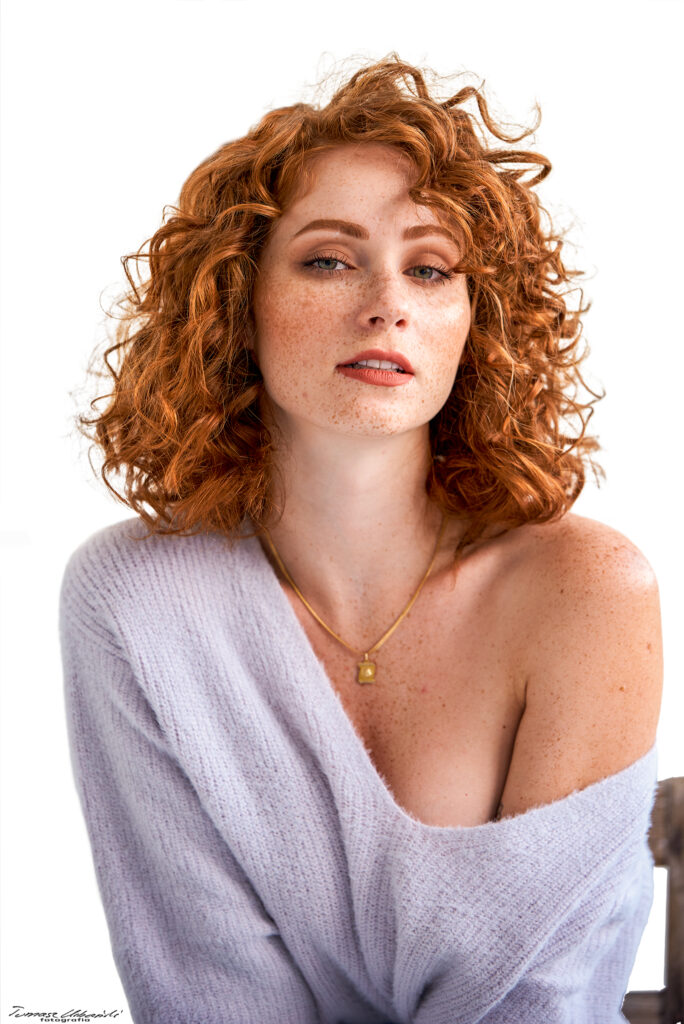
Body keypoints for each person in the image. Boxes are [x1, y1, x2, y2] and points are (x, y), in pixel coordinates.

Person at [59, 54, 663, 1023]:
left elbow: (544, 1003)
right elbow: (207, 991)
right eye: (328, 260)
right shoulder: (134, 598)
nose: (388, 301)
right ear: (235, 302)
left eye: (430, 269)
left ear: (476, 322)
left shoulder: (585, 589)